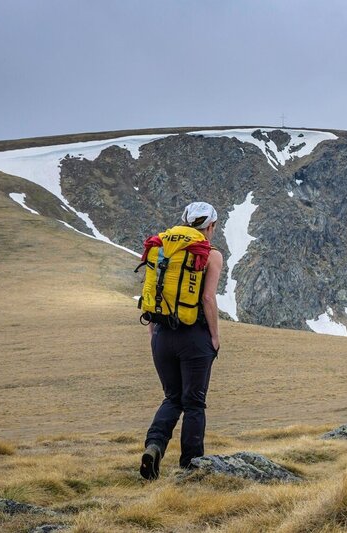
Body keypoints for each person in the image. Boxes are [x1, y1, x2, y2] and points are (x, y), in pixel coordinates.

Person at [140, 201, 224, 480]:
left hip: (162, 334)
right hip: (194, 336)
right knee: (194, 403)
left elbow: (154, 289)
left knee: (172, 398)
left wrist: (153, 331)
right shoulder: (210, 254)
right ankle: (191, 466)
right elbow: (208, 298)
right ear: (209, 227)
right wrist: (214, 335)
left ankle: (154, 447)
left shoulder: (162, 247)